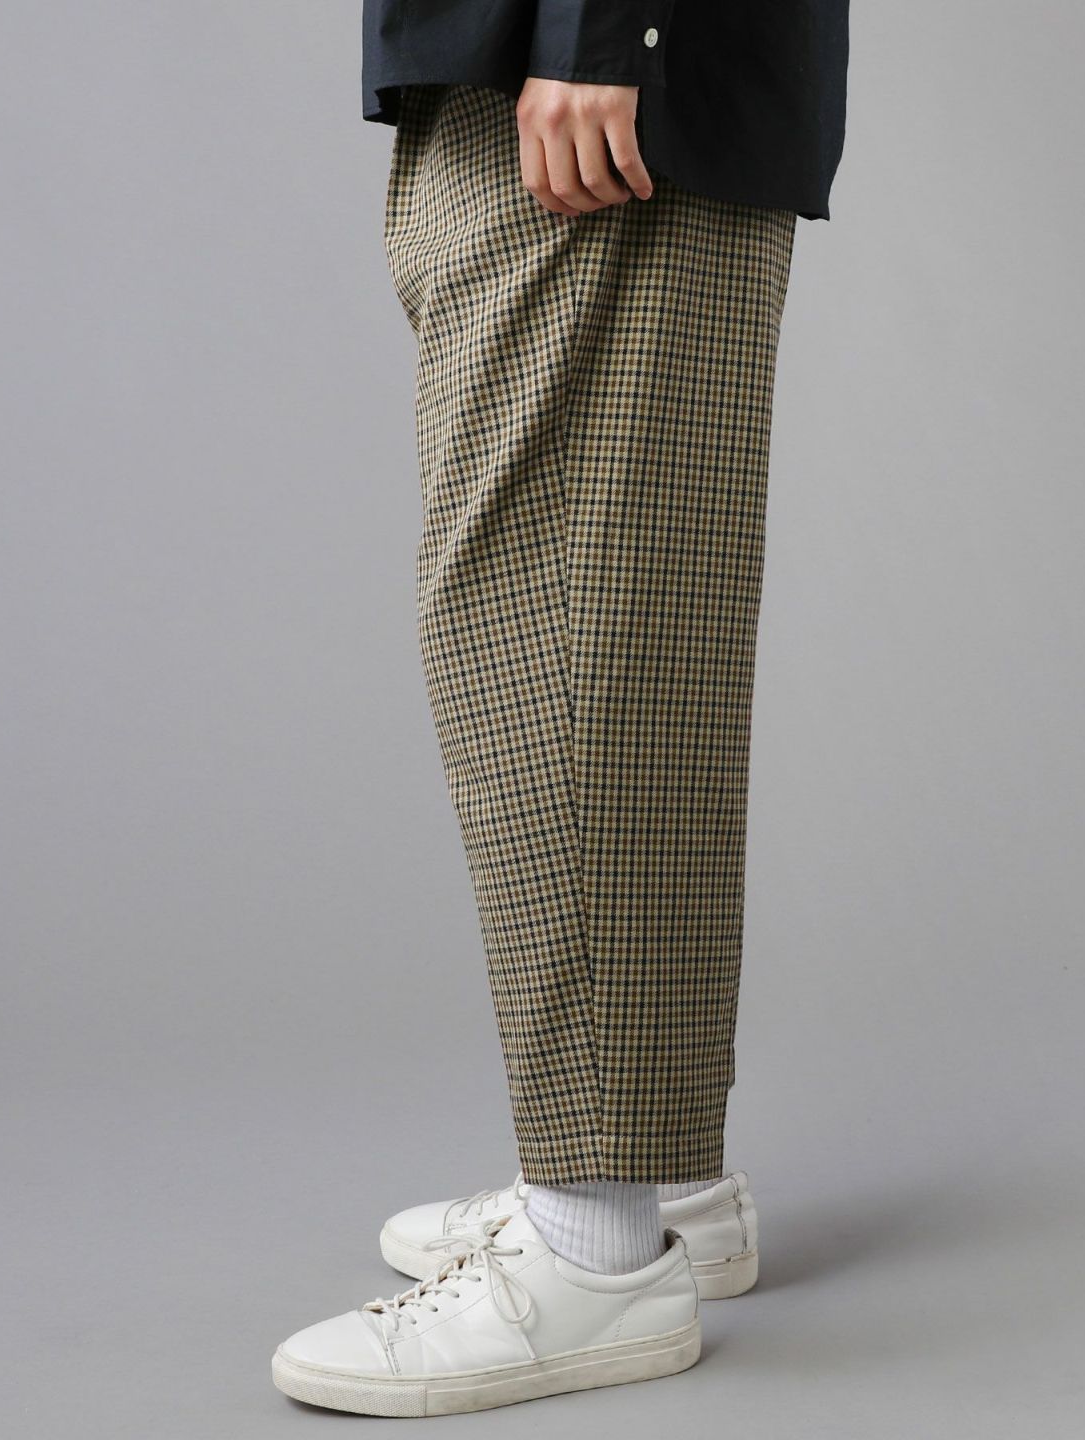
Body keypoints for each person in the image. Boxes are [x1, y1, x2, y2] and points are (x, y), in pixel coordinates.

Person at [272, 2, 849, 1417]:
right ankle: (664, 1183)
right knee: (627, 635)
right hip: (578, 69)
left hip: (593, 68)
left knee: (559, 635)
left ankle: (595, 1252)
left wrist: (608, 34)